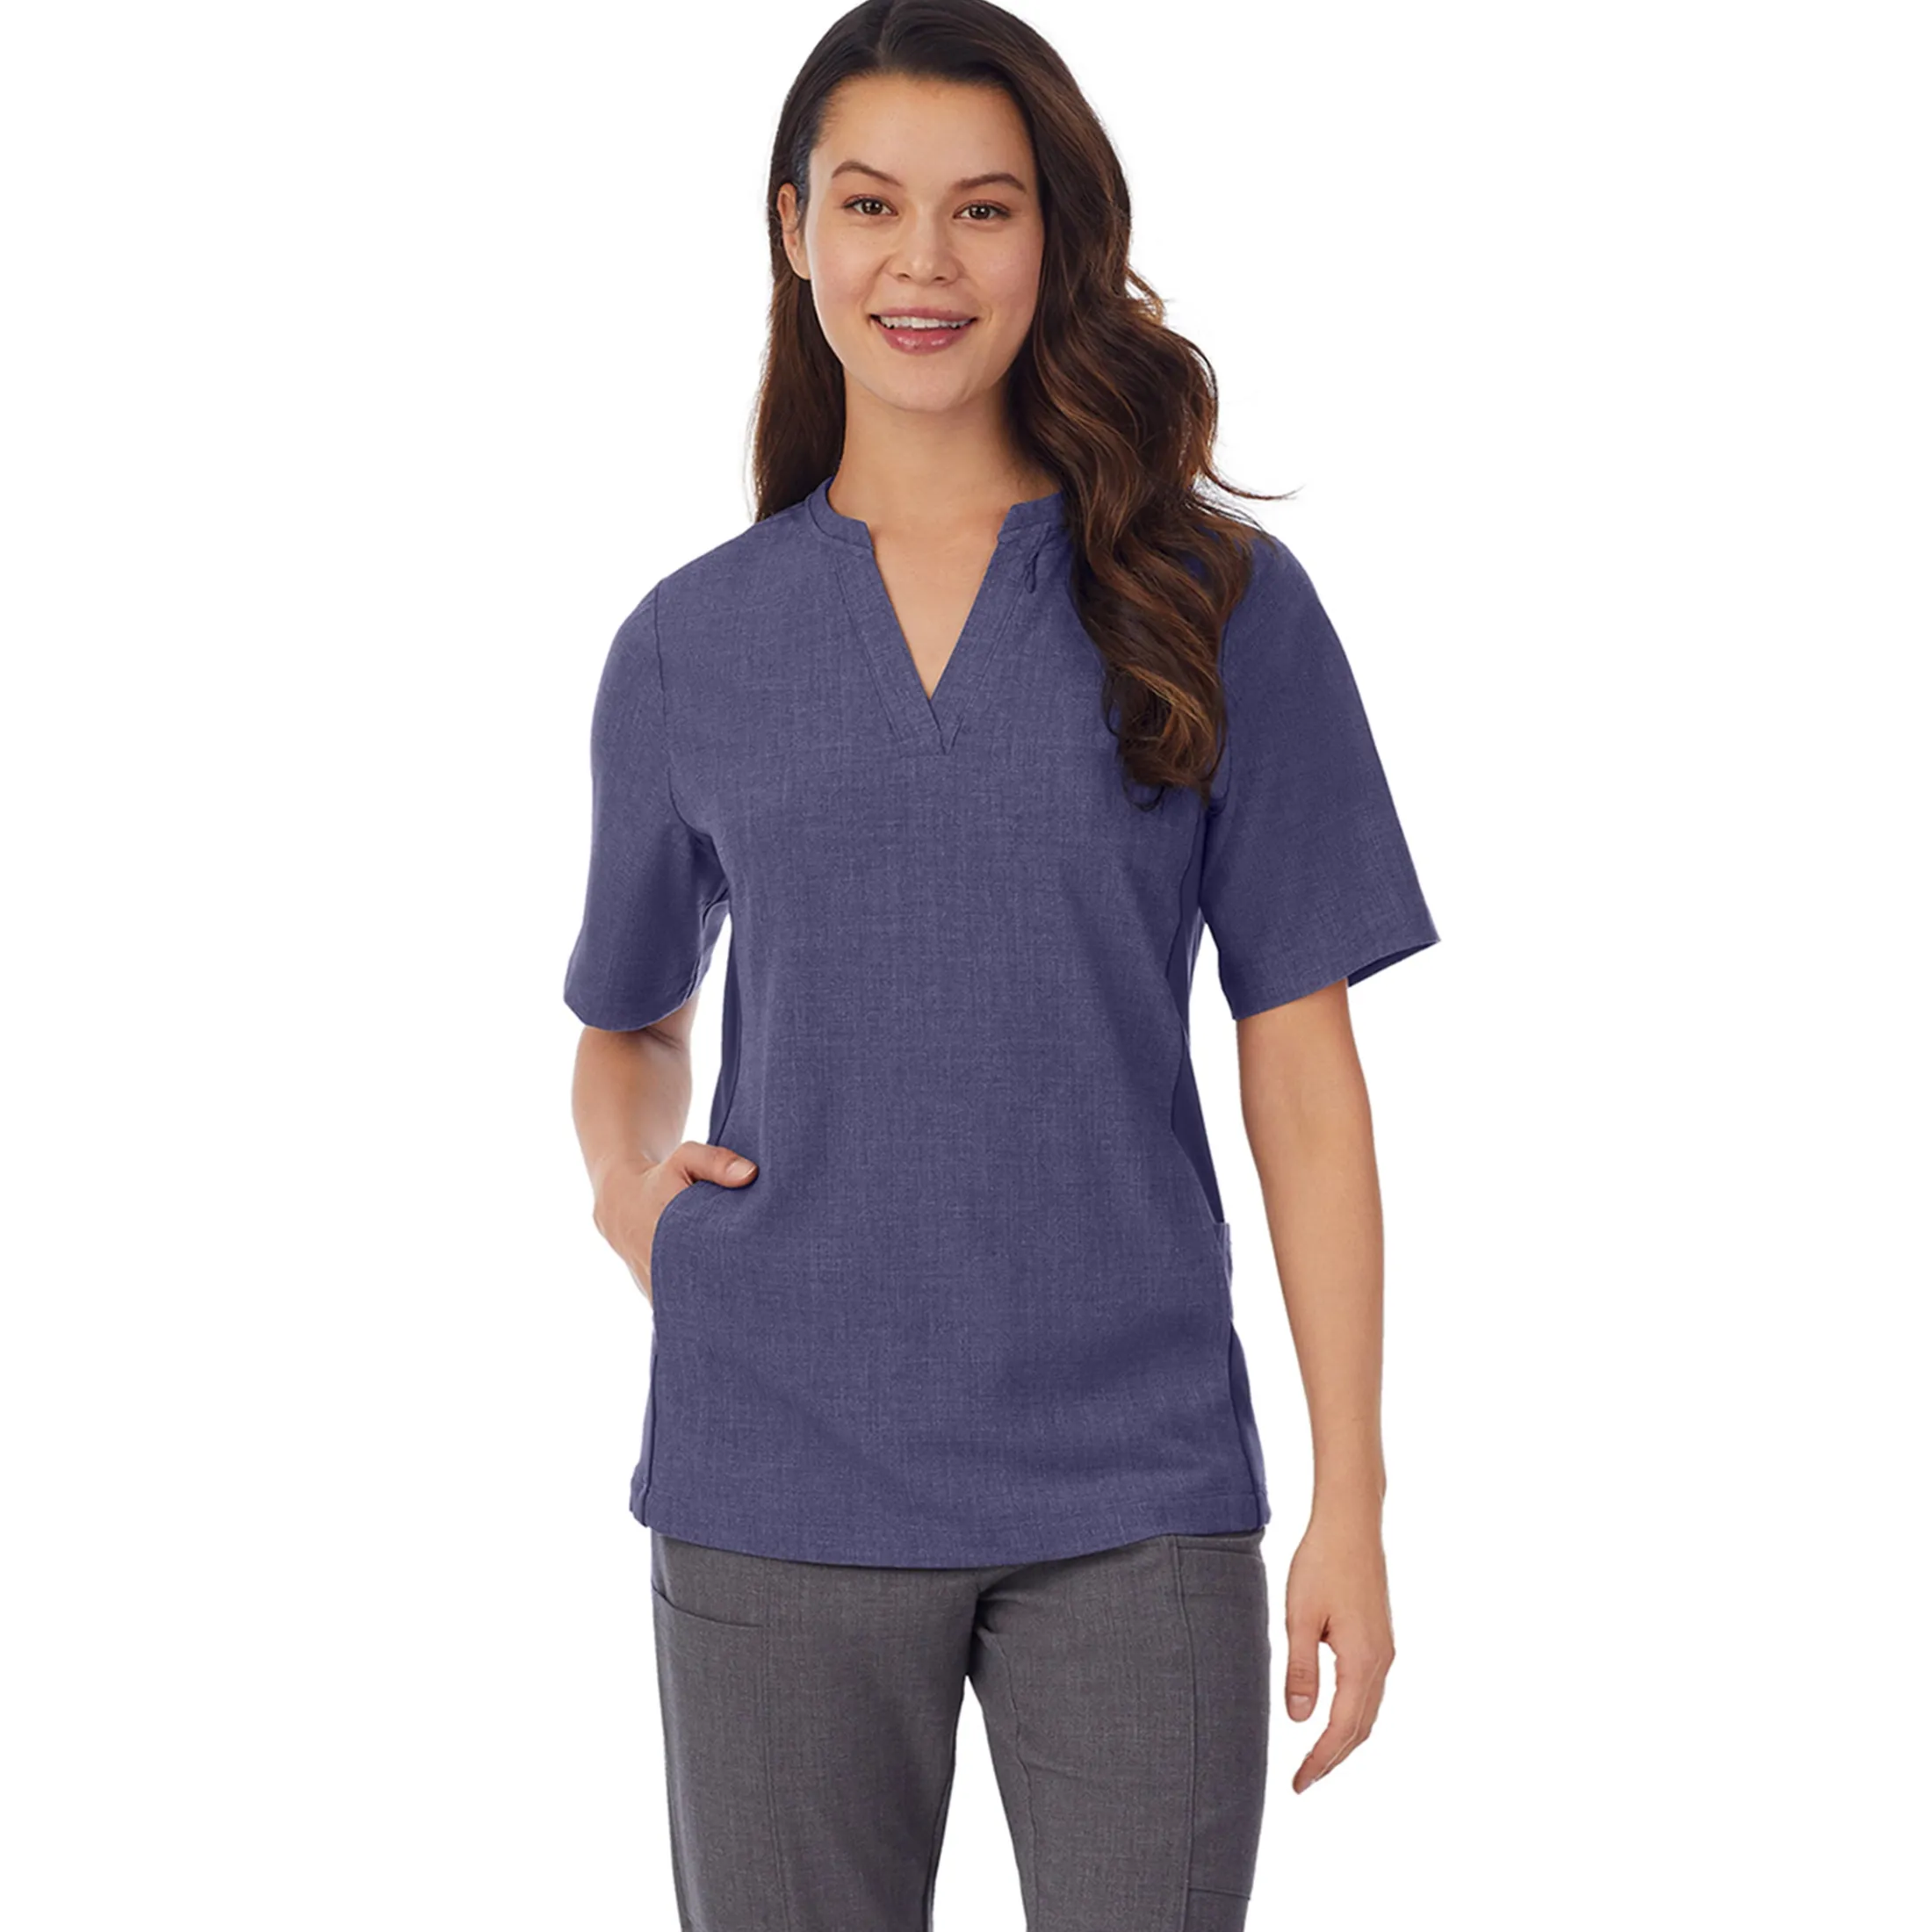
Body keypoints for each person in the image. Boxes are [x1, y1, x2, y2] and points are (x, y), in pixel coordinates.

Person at [563, 4, 1439, 1927]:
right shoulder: (689, 647)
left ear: (1055, 238)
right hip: (775, 1463)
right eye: (871, 204)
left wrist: (1351, 1497)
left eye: (983, 208)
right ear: (793, 229)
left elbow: (1302, 1073)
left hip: (1135, 1487)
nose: (924, 262)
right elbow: (626, 1016)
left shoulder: (1214, 604)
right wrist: (634, 1198)